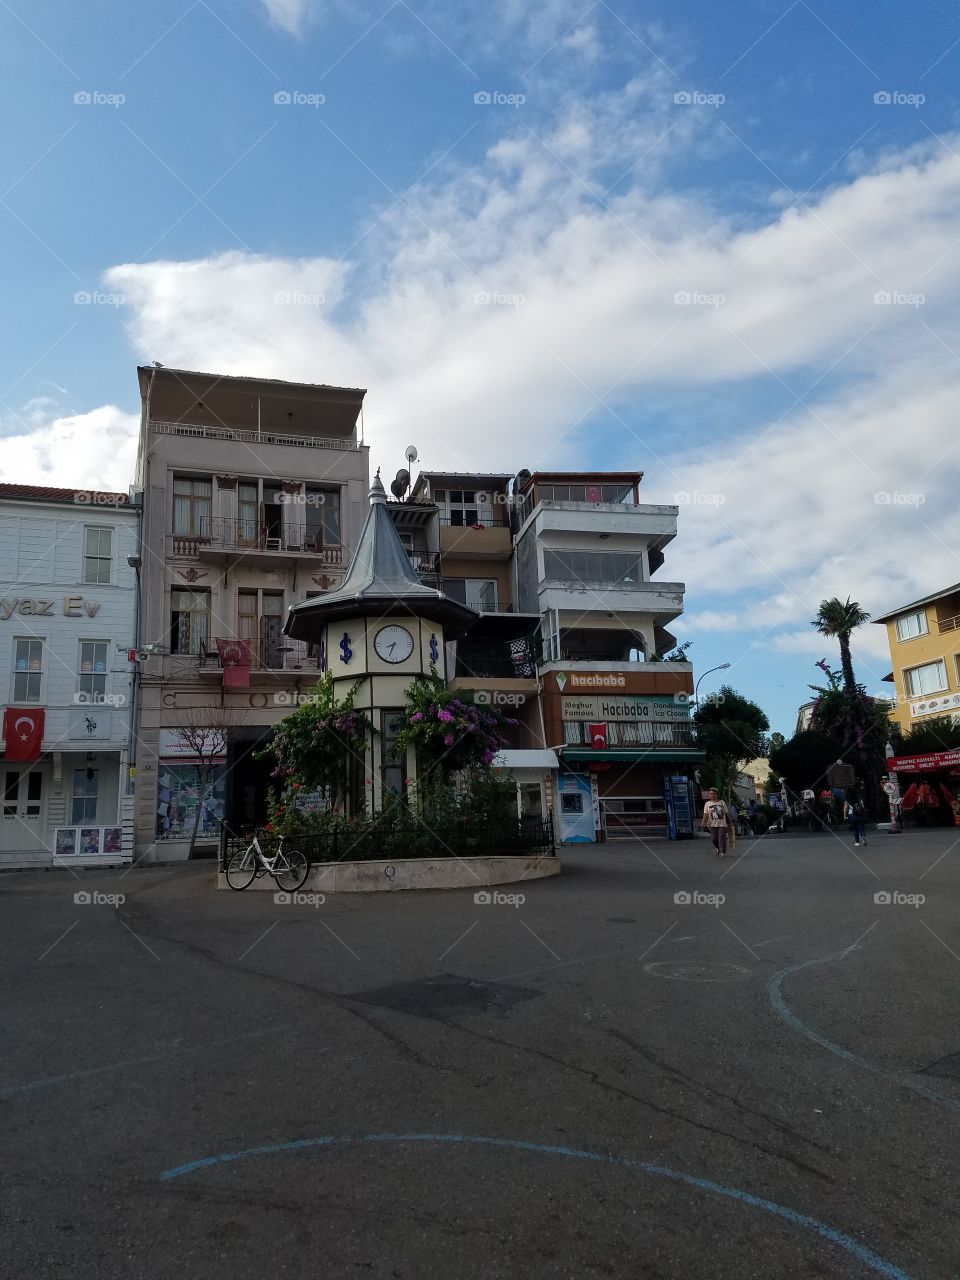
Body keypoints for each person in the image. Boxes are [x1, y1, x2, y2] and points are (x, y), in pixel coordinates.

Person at [701, 788, 730, 857]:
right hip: (712, 824)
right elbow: (706, 814)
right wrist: (703, 822)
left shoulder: (722, 802)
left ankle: (722, 852)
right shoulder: (707, 804)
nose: (712, 795)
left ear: (717, 794)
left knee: (721, 838)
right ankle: (717, 847)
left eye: (714, 793)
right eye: (710, 794)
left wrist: (730, 822)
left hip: (722, 824)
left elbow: (726, 812)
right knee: (714, 838)